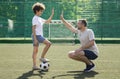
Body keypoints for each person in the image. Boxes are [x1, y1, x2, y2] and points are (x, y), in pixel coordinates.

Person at [32, 2, 54, 70]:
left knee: (37, 50)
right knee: (47, 44)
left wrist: (52, 14)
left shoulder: (39, 18)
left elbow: (47, 21)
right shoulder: (35, 18)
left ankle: (38, 61)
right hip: (36, 36)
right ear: (37, 11)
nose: (42, 12)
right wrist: (35, 39)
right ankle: (36, 63)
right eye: (41, 11)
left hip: (39, 36)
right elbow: (33, 28)